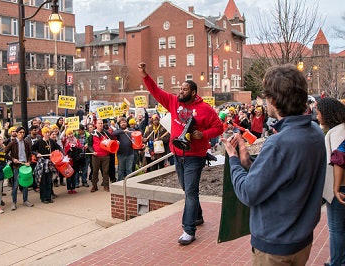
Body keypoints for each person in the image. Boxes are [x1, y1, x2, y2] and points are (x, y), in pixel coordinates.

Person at [222, 64, 326, 264]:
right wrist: (248, 163)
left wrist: (233, 159)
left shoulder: (279, 143)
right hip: (302, 241)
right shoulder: (315, 132)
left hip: (275, 247)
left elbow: (248, 193)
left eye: (265, 96)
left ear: (274, 100)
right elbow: (285, 177)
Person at [138, 62, 223, 245]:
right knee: (188, 189)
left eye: (184, 90)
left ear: (193, 92)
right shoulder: (173, 102)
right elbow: (155, 91)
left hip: (195, 157)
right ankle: (198, 216)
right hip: (177, 155)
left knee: (190, 192)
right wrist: (145, 75)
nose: (180, 92)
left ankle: (188, 230)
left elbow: (219, 127)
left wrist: (204, 134)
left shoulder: (205, 109)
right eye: (180, 89)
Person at [316, 97, 345, 266]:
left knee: (336, 228)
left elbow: (338, 162)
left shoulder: (336, 133)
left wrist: (335, 189)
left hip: (339, 188)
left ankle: (336, 262)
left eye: (319, 113)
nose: (317, 116)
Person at [4, 126, 34, 210]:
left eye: (23, 132)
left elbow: (29, 154)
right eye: (20, 132)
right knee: (16, 184)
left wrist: (29, 162)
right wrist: (13, 159)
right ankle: (14, 202)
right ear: (16, 133)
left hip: (25, 165)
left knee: (25, 183)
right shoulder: (12, 143)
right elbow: (4, 153)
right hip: (17, 166)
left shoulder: (26, 143)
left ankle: (25, 200)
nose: (22, 134)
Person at [32, 127, 61, 203]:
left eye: (48, 133)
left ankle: (49, 197)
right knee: (43, 181)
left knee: (49, 181)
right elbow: (32, 149)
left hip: (50, 163)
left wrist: (60, 153)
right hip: (42, 163)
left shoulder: (51, 141)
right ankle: (43, 198)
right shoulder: (39, 142)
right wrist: (37, 154)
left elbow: (59, 148)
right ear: (43, 134)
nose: (47, 134)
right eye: (46, 133)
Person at [89, 120, 112, 192]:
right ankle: (94, 186)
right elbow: (89, 145)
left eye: (101, 123)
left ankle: (106, 186)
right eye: (99, 123)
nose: (100, 124)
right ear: (96, 124)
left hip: (105, 155)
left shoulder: (106, 132)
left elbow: (111, 141)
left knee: (106, 171)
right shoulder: (92, 133)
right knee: (95, 171)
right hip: (96, 155)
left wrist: (116, 142)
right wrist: (93, 152)